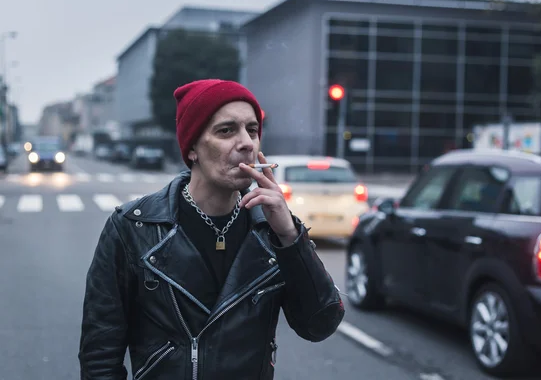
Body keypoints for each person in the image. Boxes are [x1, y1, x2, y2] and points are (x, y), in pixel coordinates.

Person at [78, 79, 345, 380]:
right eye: (226, 130)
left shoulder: (271, 231)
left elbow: (320, 324)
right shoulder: (133, 227)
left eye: (252, 130)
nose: (246, 142)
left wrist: (290, 237)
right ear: (192, 147)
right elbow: (100, 355)